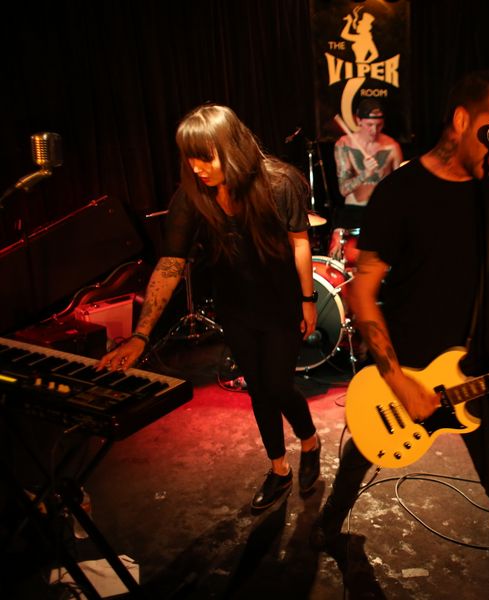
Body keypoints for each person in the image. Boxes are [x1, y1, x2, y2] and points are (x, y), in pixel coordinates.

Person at [309, 71, 489, 600]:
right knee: (368, 443)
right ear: (461, 120)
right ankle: (329, 523)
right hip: (407, 362)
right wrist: (398, 381)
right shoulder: (401, 191)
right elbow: (362, 291)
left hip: (478, 366)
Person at [97, 104, 322, 511]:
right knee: (258, 390)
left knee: (278, 386)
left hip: (280, 305)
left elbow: (300, 242)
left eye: (205, 157)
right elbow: (170, 264)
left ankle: (310, 442)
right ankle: (278, 469)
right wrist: (140, 335)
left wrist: (308, 300)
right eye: (190, 157)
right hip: (235, 309)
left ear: (232, 149)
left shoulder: (279, 183)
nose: (196, 167)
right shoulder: (192, 196)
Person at [329, 98, 403, 266]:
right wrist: (365, 173)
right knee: (343, 265)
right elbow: (343, 190)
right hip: (352, 212)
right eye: (369, 125)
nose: (374, 130)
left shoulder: (392, 147)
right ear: (358, 120)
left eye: (379, 125)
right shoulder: (344, 145)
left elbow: (399, 189)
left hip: (381, 212)